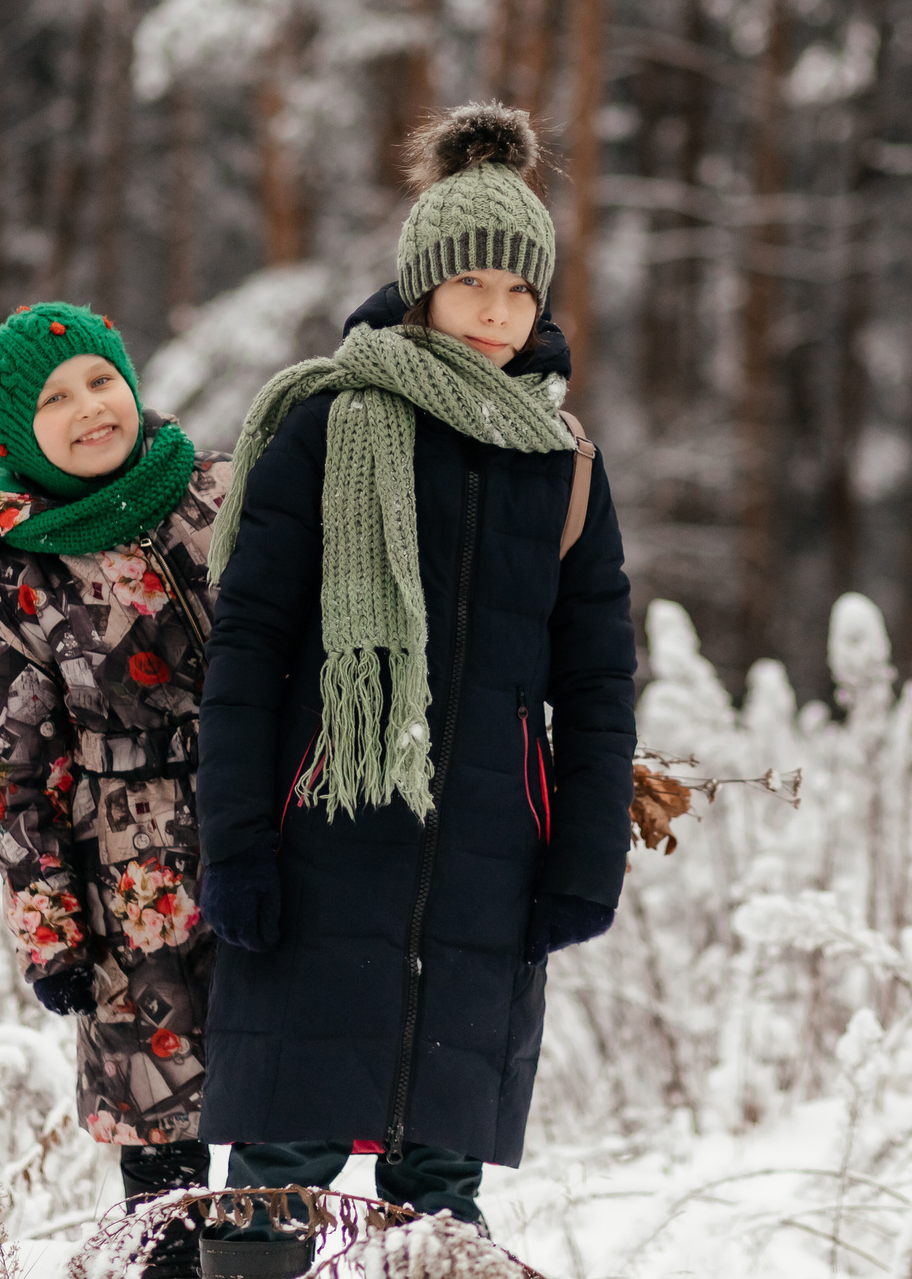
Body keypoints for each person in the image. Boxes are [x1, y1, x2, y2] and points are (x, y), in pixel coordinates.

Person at [191, 103, 638, 1272]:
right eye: (471, 285)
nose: (496, 312)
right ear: (420, 286)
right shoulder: (333, 429)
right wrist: (233, 843)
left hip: (486, 869)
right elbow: (244, 651)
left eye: (518, 290)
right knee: (272, 1194)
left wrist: (585, 854)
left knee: (437, 1202)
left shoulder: (566, 463)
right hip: (321, 841)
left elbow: (595, 681)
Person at [0, 303, 230, 1279]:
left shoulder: (222, 495)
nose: (88, 407)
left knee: (283, 1121)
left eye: (99, 379)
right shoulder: (18, 583)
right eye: (54, 399)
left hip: (268, 839)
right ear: (11, 440)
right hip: (131, 888)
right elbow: (14, 774)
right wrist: (50, 933)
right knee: (166, 1141)